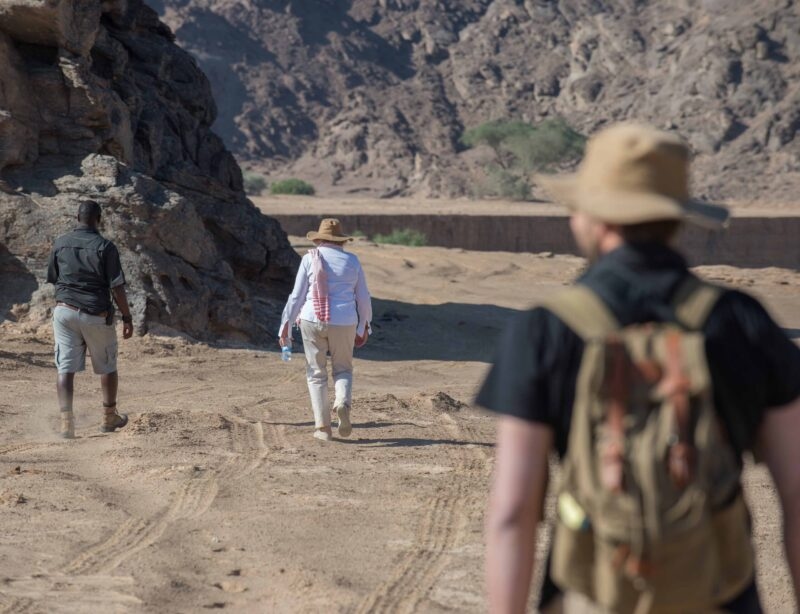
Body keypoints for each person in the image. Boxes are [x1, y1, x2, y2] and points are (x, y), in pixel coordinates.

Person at [478, 123, 800, 613]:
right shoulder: (742, 322)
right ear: (677, 219)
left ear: (593, 218)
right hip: (719, 593)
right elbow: (796, 493)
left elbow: (513, 513)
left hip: (592, 594)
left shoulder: (545, 330)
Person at [279, 218, 372, 442]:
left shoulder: (309, 259)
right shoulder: (352, 260)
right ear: (341, 241)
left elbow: (297, 296)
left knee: (316, 373)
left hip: (312, 319)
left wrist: (285, 326)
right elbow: (363, 298)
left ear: (319, 239)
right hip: (344, 321)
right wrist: (364, 326)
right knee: (343, 369)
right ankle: (342, 403)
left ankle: (322, 427)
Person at [47, 200, 134, 439]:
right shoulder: (105, 247)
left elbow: (54, 277)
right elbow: (117, 287)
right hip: (95, 313)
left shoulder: (60, 243)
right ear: (99, 219)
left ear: (77, 217)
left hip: (63, 311)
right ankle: (109, 418)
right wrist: (127, 317)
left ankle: (66, 424)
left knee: (65, 367)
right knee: (107, 365)